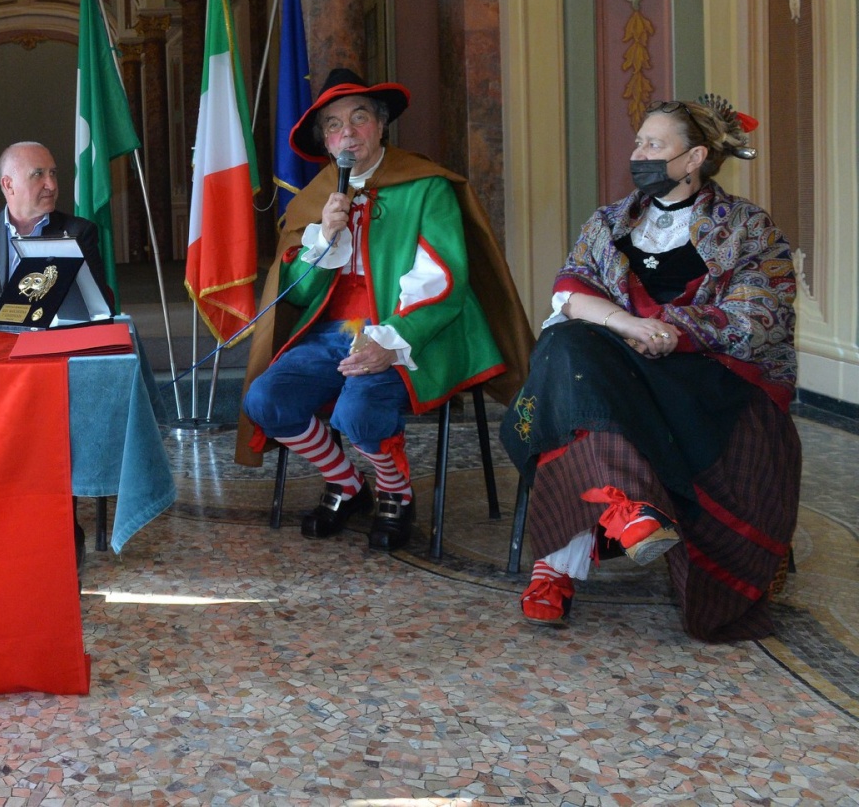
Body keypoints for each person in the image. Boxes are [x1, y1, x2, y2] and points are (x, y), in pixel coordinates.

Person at [502, 95, 798, 642]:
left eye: (654, 145)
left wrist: (673, 331)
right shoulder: (610, 220)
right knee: (568, 348)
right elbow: (569, 290)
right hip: (618, 370)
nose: (638, 153)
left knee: (573, 375)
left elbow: (763, 315)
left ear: (694, 159)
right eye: (638, 142)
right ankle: (622, 510)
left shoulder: (747, 226)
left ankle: (561, 563)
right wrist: (628, 325)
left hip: (709, 386)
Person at [238, 68, 532, 552]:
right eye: (333, 125)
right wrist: (323, 237)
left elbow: (442, 280)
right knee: (265, 399)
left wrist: (388, 341)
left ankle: (396, 493)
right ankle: (348, 485)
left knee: (359, 411)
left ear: (380, 126)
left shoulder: (426, 187)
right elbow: (295, 294)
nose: (347, 132)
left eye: (359, 118)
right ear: (327, 143)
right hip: (334, 330)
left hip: (413, 331)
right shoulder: (315, 199)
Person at [0, 141, 113, 317]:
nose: (52, 185)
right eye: (38, 174)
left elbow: (97, 307)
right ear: (8, 185)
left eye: (53, 173)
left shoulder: (79, 232)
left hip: (53, 341)